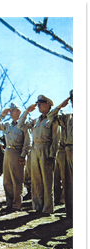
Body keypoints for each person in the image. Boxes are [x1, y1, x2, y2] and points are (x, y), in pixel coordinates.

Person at [18, 95, 60, 214]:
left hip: (46, 149)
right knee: (36, 179)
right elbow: (21, 125)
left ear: (48, 104)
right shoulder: (36, 121)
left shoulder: (52, 119)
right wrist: (26, 111)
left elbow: (56, 139)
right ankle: (37, 206)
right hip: (35, 149)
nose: (39, 105)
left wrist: (52, 155)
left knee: (47, 180)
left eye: (41, 103)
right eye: (38, 103)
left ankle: (47, 208)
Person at [0, 103, 31, 211]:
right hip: (8, 152)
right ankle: (9, 203)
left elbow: (28, 142)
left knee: (17, 180)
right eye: (10, 110)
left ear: (19, 112)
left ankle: (16, 204)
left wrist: (23, 155)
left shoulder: (24, 125)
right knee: (7, 180)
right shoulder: (8, 124)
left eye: (13, 110)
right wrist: (1, 116)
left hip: (17, 152)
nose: (10, 112)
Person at [47, 90, 73, 219]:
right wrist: (59, 106)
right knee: (69, 184)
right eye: (73, 99)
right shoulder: (68, 117)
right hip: (68, 150)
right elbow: (51, 117)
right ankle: (70, 212)